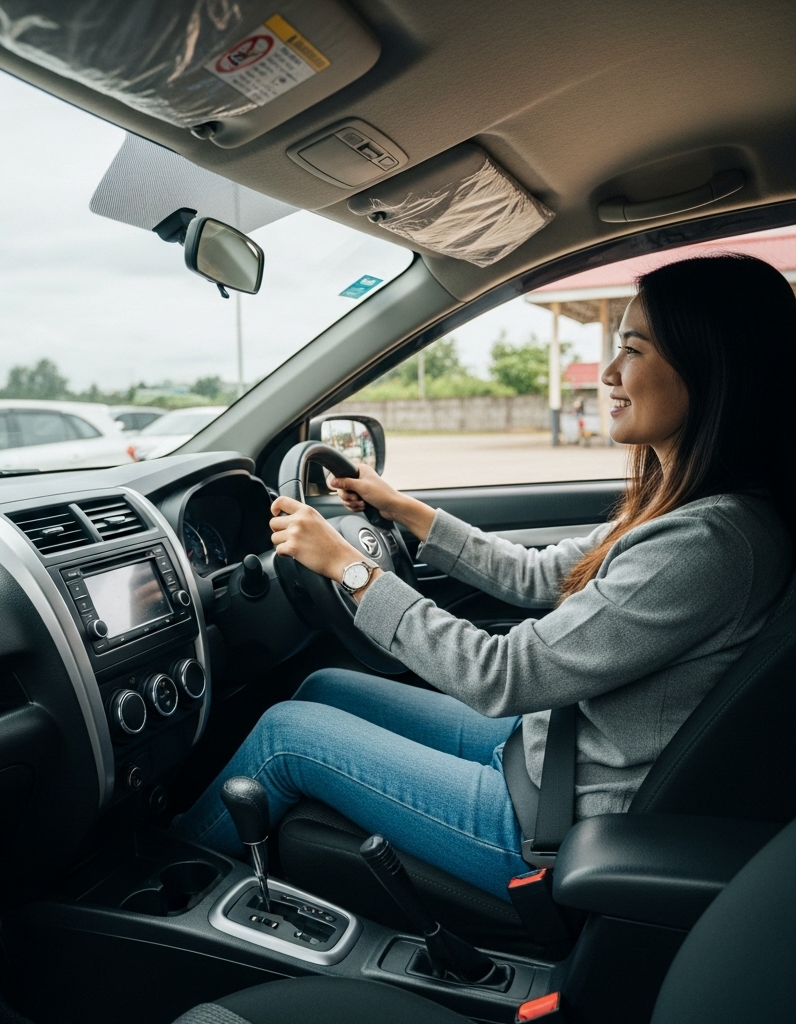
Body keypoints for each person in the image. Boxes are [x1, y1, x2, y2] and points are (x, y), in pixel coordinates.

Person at [173, 254, 796, 901]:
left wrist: (349, 568)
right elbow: (539, 573)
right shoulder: (688, 510)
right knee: (324, 685)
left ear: (712, 368)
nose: (608, 374)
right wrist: (402, 510)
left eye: (632, 351)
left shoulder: (708, 541)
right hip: (556, 754)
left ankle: (171, 888)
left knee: (284, 737)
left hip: (555, 823)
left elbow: (504, 675)